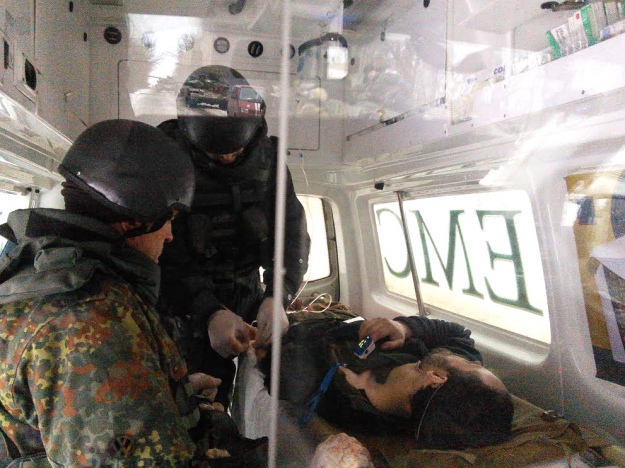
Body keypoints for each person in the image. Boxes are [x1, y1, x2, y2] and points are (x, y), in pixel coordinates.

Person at [0, 119, 263, 466]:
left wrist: (174, 395)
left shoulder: (51, 273)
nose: (170, 235)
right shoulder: (93, 321)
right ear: (133, 221)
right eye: (168, 219)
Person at [157, 65, 311, 406]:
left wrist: (278, 295)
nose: (227, 158)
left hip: (247, 293)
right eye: (215, 154)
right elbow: (160, 251)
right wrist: (207, 312)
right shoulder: (165, 159)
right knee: (195, 402)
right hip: (183, 304)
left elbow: (293, 234)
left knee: (255, 393)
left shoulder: (270, 161)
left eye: (236, 152)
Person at [258, 311, 514, 450]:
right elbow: (459, 334)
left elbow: (278, 362)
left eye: (473, 366)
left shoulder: (342, 402)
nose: (473, 360)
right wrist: (404, 328)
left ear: (436, 378)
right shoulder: (443, 380)